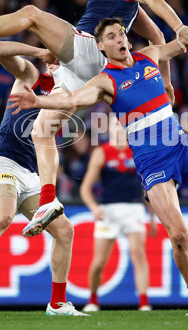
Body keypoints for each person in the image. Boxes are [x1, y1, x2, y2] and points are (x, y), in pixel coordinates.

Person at [8, 0, 188, 316]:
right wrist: (38, 101)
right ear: (101, 46)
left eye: (122, 32)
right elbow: (71, 100)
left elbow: (186, 39)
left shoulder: (150, 55)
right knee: (179, 235)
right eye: (112, 36)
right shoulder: (104, 81)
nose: (121, 38)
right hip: (153, 164)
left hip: (180, 145)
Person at [0, 0, 188, 237]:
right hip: (80, 74)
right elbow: (156, 38)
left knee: (32, 14)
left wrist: (179, 26)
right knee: (41, 131)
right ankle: (48, 201)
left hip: (89, 51)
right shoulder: (125, 6)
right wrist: (165, 82)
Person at [0, 40, 89, 316]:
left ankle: (57, 304)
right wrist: (40, 52)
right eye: (58, 61)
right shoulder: (30, 76)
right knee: (3, 216)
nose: (60, 65)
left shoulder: (67, 96)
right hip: (3, 161)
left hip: (31, 174)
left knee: (65, 231)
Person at [79, 115, 155, 312]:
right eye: (116, 125)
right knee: (99, 262)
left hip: (134, 209)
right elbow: (85, 189)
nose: (120, 129)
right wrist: (94, 208)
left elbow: (148, 188)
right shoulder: (102, 152)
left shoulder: (137, 151)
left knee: (139, 255)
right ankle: (93, 299)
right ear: (109, 128)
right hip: (108, 210)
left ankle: (144, 302)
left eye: (123, 126)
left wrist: (153, 217)